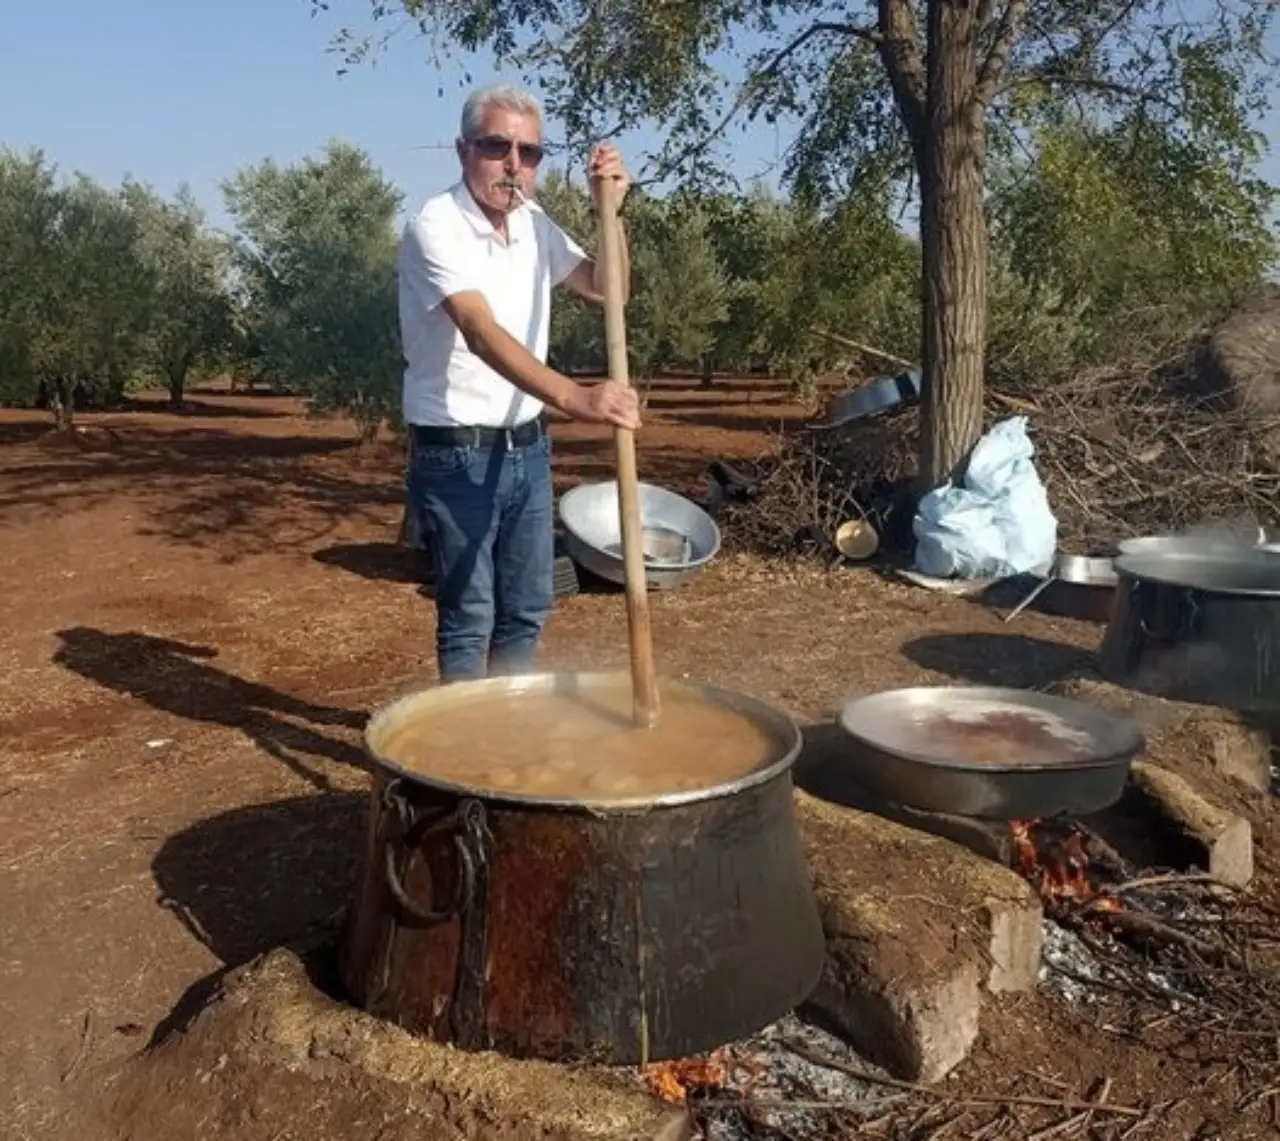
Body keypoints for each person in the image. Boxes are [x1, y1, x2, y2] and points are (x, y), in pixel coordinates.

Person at [398, 81, 640, 684]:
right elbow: (479, 332)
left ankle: (511, 732)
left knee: (528, 609)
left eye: (529, 152)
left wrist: (609, 211)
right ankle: (462, 760)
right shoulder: (436, 226)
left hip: (527, 448)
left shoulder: (533, 223)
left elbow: (609, 288)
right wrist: (576, 396)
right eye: (497, 146)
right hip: (457, 451)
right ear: (463, 150)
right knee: (470, 615)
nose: (514, 163)